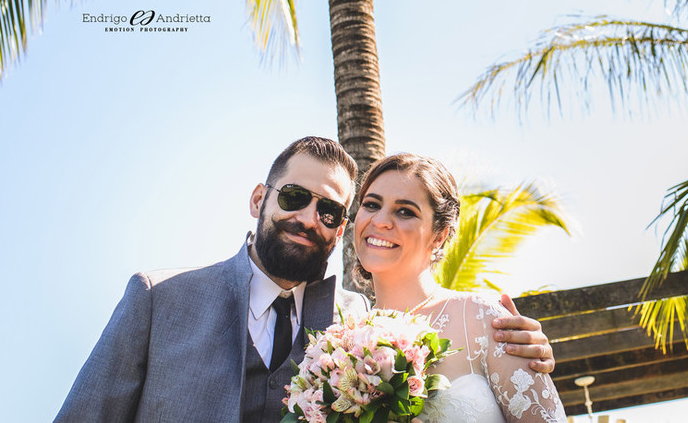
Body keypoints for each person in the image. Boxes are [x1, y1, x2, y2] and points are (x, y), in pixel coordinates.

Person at [55, 136, 554, 422]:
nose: (309, 218)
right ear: (259, 199)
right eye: (294, 197)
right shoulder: (160, 299)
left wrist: (522, 354)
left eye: (331, 211)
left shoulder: (354, 322)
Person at [354, 153, 567, 422]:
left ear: (439, 235)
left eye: (405, 211)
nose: (380, 221)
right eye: (371, 205)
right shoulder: (344, 342)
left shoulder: (482, 318)